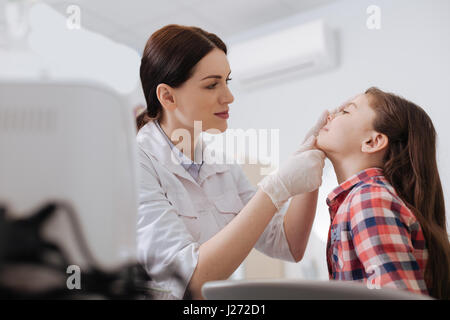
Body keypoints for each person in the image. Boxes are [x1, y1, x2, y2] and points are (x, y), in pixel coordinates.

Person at [136, 24, 328, 299]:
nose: (229, 97)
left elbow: (288, 244)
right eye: (212, 84)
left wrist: (309, 162)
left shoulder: (220, 164)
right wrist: (275, 187)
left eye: (227, 81)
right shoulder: (137, 165)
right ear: (167, 96)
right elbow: (191, 282)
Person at [316, 87, 450, 299]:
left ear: (372, 142)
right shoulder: (365, 198)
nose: (330, 115)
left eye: (346, 111)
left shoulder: (368, 199)